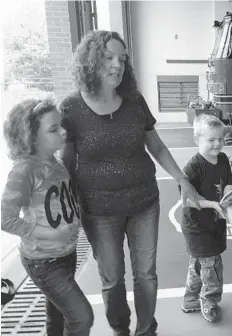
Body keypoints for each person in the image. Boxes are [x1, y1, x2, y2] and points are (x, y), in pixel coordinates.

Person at [59, 30, 201, 336]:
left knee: (146, 274)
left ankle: (147, 330)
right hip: (98, 209)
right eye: (108, 57)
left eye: (122, 59)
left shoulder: (135, 101)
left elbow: (158, 147)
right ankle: (120, 330)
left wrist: (183, 180)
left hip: (144, 203)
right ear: (90, 61)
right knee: (111, 278)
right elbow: (66, 165)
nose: (117, 65)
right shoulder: (71, 109)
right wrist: (58, 205)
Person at [1, 97, 93, 336]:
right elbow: (6, 218)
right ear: (30, 137)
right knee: (81, 316)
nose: (63, 132)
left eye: (60, 125)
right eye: (53, 129)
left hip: (66, 254)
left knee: (58, 315)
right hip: (43, 261)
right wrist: (50, 233)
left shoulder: (56, 162)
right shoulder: (25, 170)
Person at [180, 114, 232, 323]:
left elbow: (228, 180)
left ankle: (190, 299)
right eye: (211, 140)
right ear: (197, 140)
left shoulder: (222, 159)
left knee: (199, 264)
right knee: (212, 266)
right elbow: (188, 200)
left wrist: (229, 193)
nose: (217, 144)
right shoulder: (193, 167)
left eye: (220, 139)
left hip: (214, 222)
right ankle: (209, 301)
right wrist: (213, 204)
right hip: (197, 227)